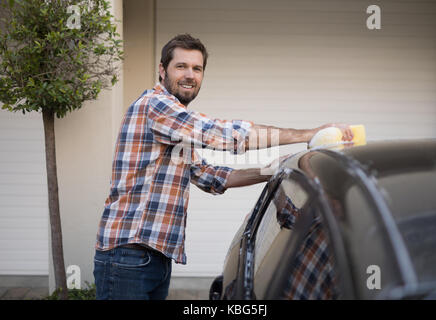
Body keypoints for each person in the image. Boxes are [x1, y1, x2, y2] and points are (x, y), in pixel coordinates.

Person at [93, 33, 353, 300]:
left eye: (197, 68)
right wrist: (309, 134)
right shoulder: (156, 107)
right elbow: (228, 135)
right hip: (128, 256)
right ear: (162, 70)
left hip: (152, 258)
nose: (190, 75)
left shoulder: (173, 126)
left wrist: (269, 171)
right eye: (181, 66)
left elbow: (209, 176)